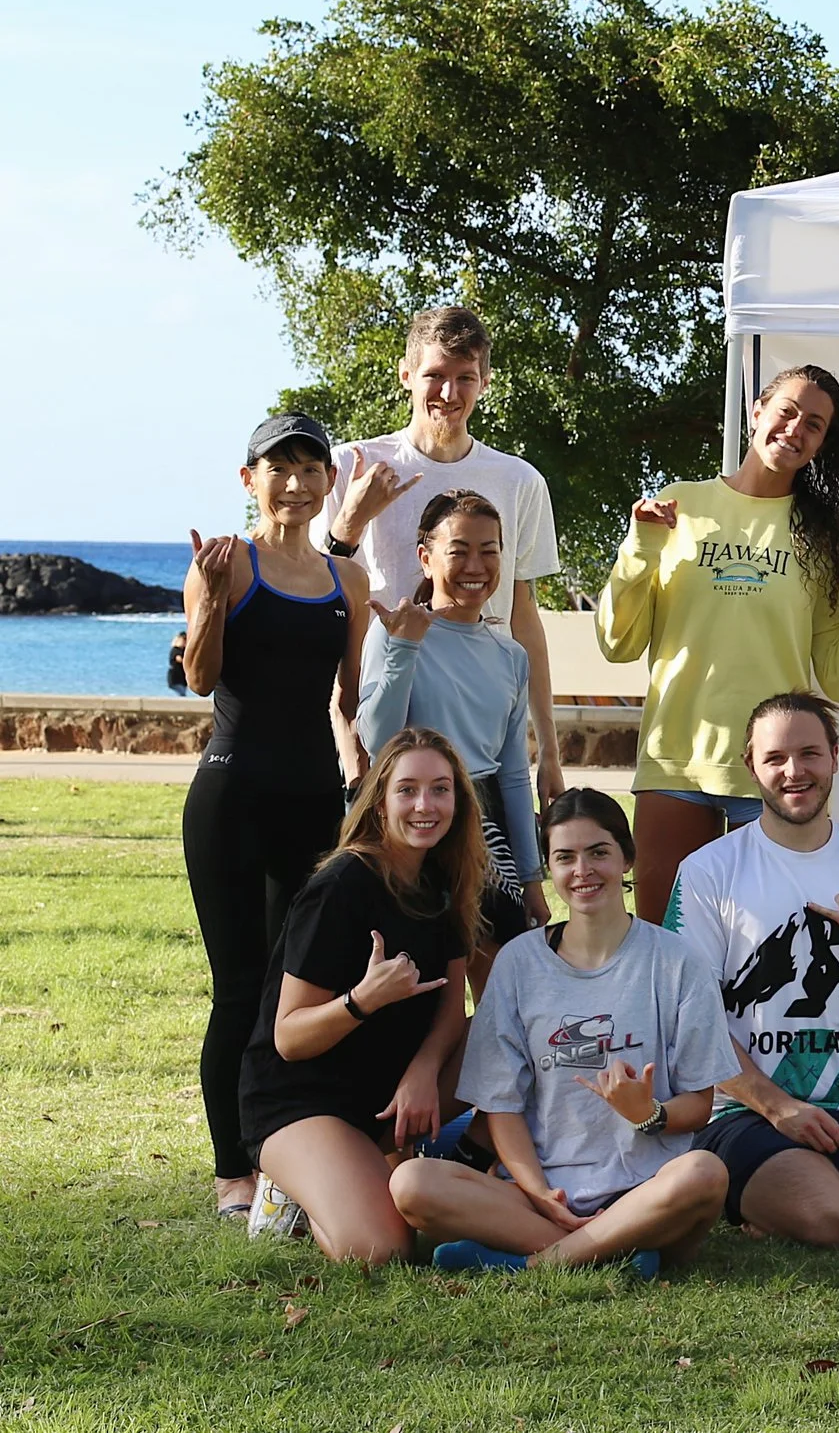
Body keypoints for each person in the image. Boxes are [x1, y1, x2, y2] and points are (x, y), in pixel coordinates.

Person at [599, 364, 839, 921]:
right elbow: (617, 641)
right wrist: (641, 545)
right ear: (757, 412)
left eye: (814, 424)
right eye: (787, 411)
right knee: (663, 946)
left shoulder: (825, 537)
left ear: (822, 443)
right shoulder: (677, 506)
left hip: (776, 770)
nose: (795, 429)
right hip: (677, 759)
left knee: (767, 950)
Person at [391, 789, 737, 1275]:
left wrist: (650, 1113)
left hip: (645, 1189)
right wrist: (538, 1193)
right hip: (539, 1194)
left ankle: (538, 1263)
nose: (582, 871)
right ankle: (615, 1254)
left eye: (598, 852)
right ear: (549, 869)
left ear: (627, 857)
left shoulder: (678, 962)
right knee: (412, 1182)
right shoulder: (518, 963)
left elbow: (699, 1107)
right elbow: (500, 1106)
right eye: (565, 857)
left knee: (706, 1173)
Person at [663, 693, 839, 1247]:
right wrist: (778, 1105)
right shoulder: (707, 870)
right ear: (751, 766)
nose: (794, 771)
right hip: (743, 1108)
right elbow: (690, 1021)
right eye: (775, 758)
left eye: (810, 753)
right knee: (822, 1217)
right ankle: (752, 1189)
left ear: (835, 757)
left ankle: (814, 1193)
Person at [181, 411, 371, 1221]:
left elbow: (348, 695)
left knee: (298, 986)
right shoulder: (226, 563)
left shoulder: (346, 580)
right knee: (238, 987)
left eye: (309, 469)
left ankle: (285, 1152)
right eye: (278, 468)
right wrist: (216, 601)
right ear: (249, 478)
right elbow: (197, 679)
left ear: (329, 481)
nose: (295, 483)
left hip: (311, 797)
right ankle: (233, 1171)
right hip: (230, 794)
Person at [236, 727, 481, 1264]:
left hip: (385, 1091)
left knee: (500, 1035)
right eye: (408, 789)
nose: (426, 805)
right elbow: (289, 1038)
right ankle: (291, 1188)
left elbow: (450, 1006)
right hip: (303, 1099)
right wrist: (362, 999)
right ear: (379, 801)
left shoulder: (444, 878)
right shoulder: (341, 886)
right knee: (381, 1248)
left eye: (441, 789)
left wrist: (423, 1071)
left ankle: (467, 1159)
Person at [321, 306, 566, 805]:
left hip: (482, 732)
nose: (449, 394)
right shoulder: (352, 466)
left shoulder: (520, 481)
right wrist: (350, 520)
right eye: (434, 376)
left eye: (465, 378)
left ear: (486, 381)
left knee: (494, 878)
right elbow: (318, 599)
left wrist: (551, 753)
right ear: (406, 374)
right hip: (384, 727)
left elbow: (524, 620)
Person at [356, 490, 544, 984]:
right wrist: (404, 647)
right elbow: (379, 742)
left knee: (501, 993)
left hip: (485, 831)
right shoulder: (393, 630)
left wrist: (530, 877)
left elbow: (511, 775)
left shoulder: (510, 656)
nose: (475, 565)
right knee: (416, 986)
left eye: (490, 550)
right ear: (426, 556)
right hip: (410, 817)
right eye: (459, 550)